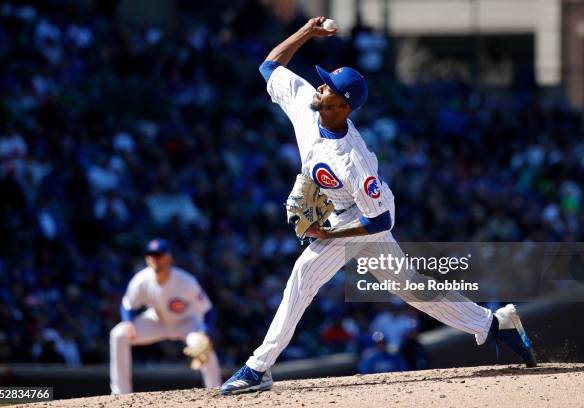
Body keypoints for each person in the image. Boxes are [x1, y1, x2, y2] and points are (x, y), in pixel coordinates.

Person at [220, 16, 537, 395]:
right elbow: (269, 65)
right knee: (411, 288)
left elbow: (381, 219)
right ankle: (493, 324)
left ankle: (258, 368)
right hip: (349, 213)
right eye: (325, 81)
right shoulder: (308, 104)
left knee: (303, 277)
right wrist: (307, 31)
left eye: (330, 87)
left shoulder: (353, 160)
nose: (321, 86)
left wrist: (332, 232)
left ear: (343, 105)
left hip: (363, 217)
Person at [110, 239, 221, 394]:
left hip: (186, 323)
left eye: (159, 254)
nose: (154, 258)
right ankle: (119, 393)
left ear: (169, 257)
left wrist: (205, 332)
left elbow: (208, 310)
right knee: (119, 334)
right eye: (151, 255)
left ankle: (216, 391)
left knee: (202, 345)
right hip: (156, 321)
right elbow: (128, 305)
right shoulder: (141, 280)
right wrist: (128, 321)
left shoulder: (185, 281)